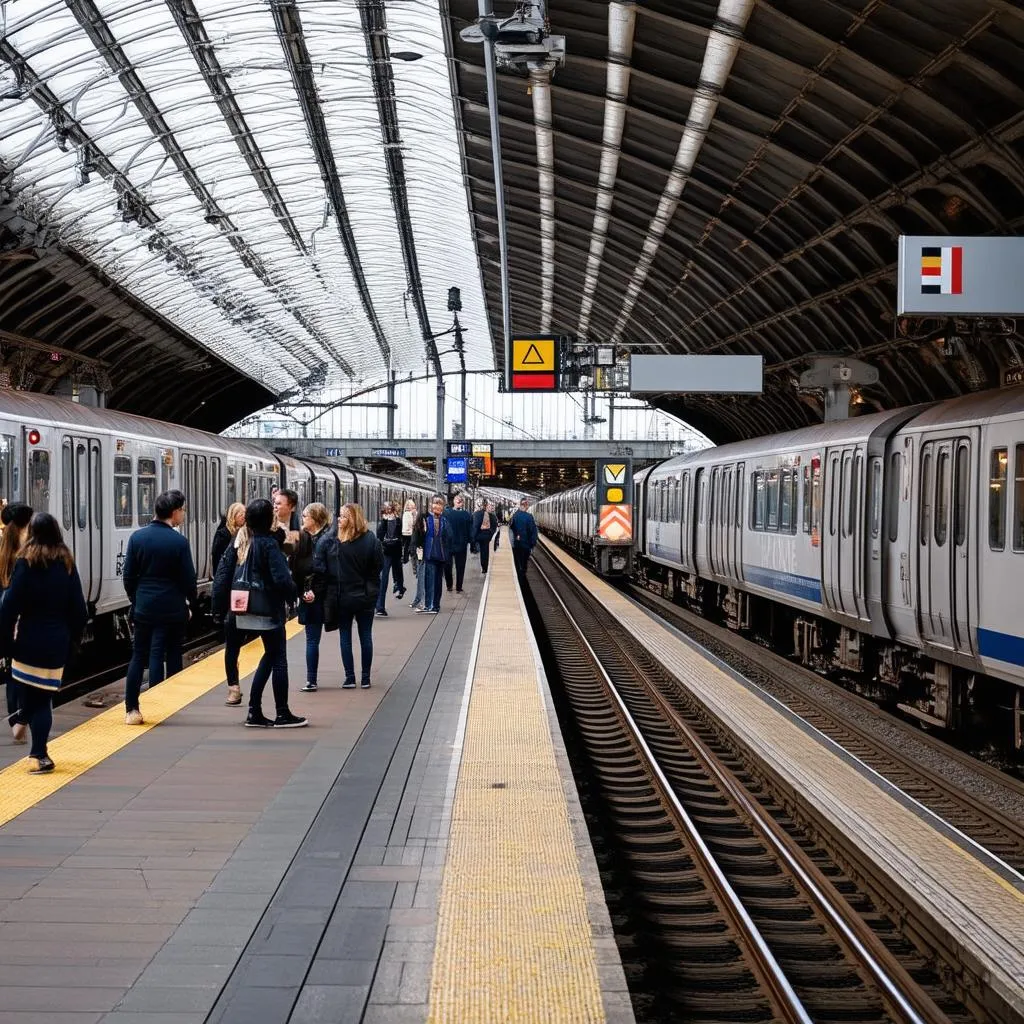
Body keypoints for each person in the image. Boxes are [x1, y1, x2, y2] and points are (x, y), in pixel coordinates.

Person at [0, 513, 88, 773]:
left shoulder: (24, 564)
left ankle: (37, 749)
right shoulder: (67, 563)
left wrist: (5, 643)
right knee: (44, 696)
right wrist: (73, 639)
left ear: (33, 534)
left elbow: (9, 607)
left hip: (28, 639)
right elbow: (80, 611)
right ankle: (35, 746)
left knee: (35, 697)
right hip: (56, 641)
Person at [213, 498, 306, 728]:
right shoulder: (268, 544)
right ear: (269, 521)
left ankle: (254, 711)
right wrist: (294, 594)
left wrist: (218, 608)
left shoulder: (239, 540)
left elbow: (223, 574)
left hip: (241, 608)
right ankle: (282, 712)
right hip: (267, 610)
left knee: (270, 655)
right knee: (279, 659)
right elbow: (281, 578)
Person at [122, 490, 197, 726]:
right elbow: (188, 579)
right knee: (172, 653)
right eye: (183, 510)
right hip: (172, 607)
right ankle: (168, 705)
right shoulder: (179, 542)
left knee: (138, 656)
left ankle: (132, 708)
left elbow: (128, 576)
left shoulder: (137, 538)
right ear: (174, 512)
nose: (183, 514)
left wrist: (137, 598)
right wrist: (189, 602)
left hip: (144, 606)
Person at [313, 503, 383, 688]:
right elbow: (378, 567)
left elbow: (327, 569)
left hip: (343, 597)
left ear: (351, 520)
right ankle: (366, 678)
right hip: (366, 596)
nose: (338, 519)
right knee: (365, 636)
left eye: (343, 516)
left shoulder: (337, 543)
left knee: (346, 637)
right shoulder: (371, 540)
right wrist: (372, 590)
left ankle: (350, 678)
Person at [1, 503, 33, 742]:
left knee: (12, 672)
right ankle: (24, 717)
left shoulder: (3, 550)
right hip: (24, 623)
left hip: (5, 623)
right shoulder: (29, 554)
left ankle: (15, 719)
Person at [295, 503, 331, 692]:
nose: (302, 519)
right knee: (312, 639)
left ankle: (311, 680)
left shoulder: (317, 541)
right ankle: (312, 679)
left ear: (315, 519)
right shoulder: (318, 538)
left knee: (311, 639)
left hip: (315, 596)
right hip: (313, 594)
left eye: (305, 516)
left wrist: (310, 591)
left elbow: (320, 570)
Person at [418, 495, 452, 615]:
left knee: (438, 581)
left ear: (443, 507)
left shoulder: (445, 520)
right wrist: (418, 551)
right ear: (431, 506)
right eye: (435, 504)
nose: (437, 506)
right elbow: (419, 536)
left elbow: (449, 536)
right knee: (429, 580)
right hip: (430, 554)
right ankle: (429, 604)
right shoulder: (425, 519)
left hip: (441, 555)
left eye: (440, 504)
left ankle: (435, 605)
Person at [375, 503, 405, 616]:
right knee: (383, 579)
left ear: (394, 512)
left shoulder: (398, 521)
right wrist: (384, 521)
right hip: (385, 553)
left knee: (398, 575)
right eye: (386, 512)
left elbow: (403, 535)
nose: (388, 514)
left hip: (396, 552)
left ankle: (400, 588)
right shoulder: (382, 522)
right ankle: (380, 607)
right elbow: (379, 536)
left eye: (390, 512)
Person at [443, 494, 473, 594]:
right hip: (461, 545)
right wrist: (470, 542)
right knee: (460, 566)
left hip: (448, 544)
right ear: (462, 503)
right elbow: (470, 531)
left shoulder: (446, 513)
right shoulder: (467, 515)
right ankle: (459, 587)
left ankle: (449, 585)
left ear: (454, 502)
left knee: (447, 565)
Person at [510, 497, 538, 577]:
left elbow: (511, 529)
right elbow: (533, 532)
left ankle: (519, 577)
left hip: (516, 545)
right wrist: (532, 545)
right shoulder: (529, 517)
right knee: (524, 564)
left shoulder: (515, 516)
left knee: (518, 563)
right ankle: (522, 575)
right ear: (526, 506)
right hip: (526, 545)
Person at [401, 499, 422, 608]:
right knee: (416, 561)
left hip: (415, 544)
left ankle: (417, 572)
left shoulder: (415, 515)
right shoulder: (408, 515)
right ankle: (417, 572)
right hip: (414, 544)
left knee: (417, 562)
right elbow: (406, 530)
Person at [471, 499, 497, 575]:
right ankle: (484, 568)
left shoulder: (476, 514)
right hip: (486, 536)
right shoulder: (491, 515)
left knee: (479, 549)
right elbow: (494, 526)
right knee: (485, 551)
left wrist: (473, 538)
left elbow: (475, 527)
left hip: (478, 536)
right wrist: (490, 533)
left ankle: (483, 565)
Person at [272, 488, 301, 555]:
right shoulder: (270, 526)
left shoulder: (296, 519)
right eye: (274, 503)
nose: (275, 506)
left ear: (291, 507)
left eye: (278, 504)